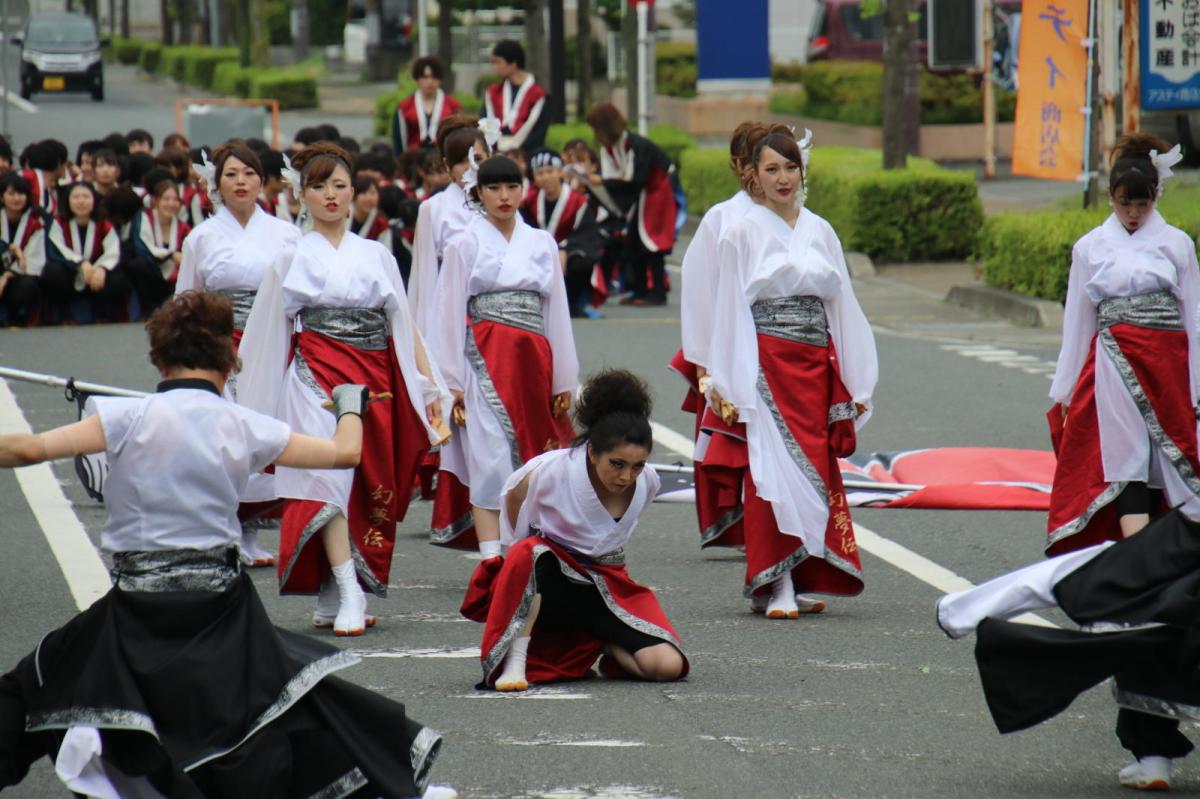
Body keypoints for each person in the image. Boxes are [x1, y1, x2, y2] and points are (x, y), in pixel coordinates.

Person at [0, 291, 454, 799]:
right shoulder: (245, 424)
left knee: (34, 685)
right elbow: (344, 453)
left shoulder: (126, 416)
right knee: (291, 699)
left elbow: (28, 448)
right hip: (219, 606)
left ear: (159, 359)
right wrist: (350, 403)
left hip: (139, 607)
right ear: (229, 360)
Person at [238, 142, 450, 636]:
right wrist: (253, 407)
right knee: (324, 483)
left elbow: (404, 326)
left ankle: (332, 592)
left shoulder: (377, 254)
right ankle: (348, 586)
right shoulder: (290, 255)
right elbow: (267, 333)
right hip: (313, 378)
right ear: (301, 195)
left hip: (374, 381)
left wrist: (429, 388)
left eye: (339, 185)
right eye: (319, 186)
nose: (330, 195)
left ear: (354, 191)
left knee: (364, 484)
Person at [705, 132, 877, 618]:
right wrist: (727, 378)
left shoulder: (821, 230)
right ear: (753, 176)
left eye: (790, 167)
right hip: (765, 364)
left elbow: (842, 305)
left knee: (815, 466)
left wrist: (858, 377)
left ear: (803, 171)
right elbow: (730, 309)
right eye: (772, 169)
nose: (783, 179)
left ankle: (802, 573)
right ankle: (776, 580)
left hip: (814, 365)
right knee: (769, 469)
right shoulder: (739, 232)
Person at [936, 506, 1200, 792]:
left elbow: (1132, 491)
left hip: (1183, 538)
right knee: (1156, 631)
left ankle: (1152, 757)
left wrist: (1141, 553)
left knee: (1139, 625)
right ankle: (1152, 755)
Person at [465, 369, 688, 691]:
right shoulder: (550, 470)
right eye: (617, 464)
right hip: (549, 581)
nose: (627, 476)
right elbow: (506, 500)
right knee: (530, 551)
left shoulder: (649, 482)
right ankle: (516, 662)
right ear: (593, 452)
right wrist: (507, 557)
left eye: (637, 466)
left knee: (667, 667)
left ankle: (601, 642)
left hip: (605, 583)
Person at [1045, 132, 1200, 556]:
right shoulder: (1090, 247)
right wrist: (1065, 390)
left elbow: (1194, 318)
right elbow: (1077, 322)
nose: (1133, 214)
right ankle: (1139, 559)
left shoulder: (1177, 244)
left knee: (1166, 458)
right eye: (1124, 203)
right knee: (1125, 455)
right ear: (1110, 197)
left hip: (1168, 362)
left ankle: (1158, 555)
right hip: (1114, 359)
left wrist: (1197, 387)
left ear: (1156, 197)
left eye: (1142, 204)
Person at [430, 154, 579, 562]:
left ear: (523, 190)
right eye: (494, 188)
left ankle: (527, 549)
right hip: (485, 361)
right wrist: (451, 382)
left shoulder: (542, 242)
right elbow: (447, 313)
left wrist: (563, 378)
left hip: (534, 364)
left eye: (512, 187)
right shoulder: (463, 244)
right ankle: (491, 558)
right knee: (490, 457)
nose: (504, 196)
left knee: (537, 458)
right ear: (478, 192)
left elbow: (557, 312)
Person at [175, 141, 303, 565]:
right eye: (231, 174)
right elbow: (187, 299)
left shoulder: (286, 233)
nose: (241, 182)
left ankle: (250, 532)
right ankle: (225, 528)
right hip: (220, 344)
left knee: (266, 430)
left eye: (249, 173)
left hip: (272, 340)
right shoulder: (201, 237)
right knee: (226, 435)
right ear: (216, 183)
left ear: (262, 181)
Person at [676, 122, 785, 550]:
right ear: (742, 166)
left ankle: (782, 526)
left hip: (785, 348)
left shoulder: (799, 218)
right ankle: (748, 526)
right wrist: (706, 361)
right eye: (761, 161)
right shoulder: (723, 218)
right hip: (733, 342)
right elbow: (700, 289)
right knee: (739, 438)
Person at [585, 102, 677, 307]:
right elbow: (618, 180)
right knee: (632, 243)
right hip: (638, 196)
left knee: (651, 244)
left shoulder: (637, 146)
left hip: (656, 193)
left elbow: (635, 180)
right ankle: (640, 291)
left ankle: (658, 293)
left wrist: (603, 182)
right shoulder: (609, 149)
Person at [521, 148, 602, 319]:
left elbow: (586, 234)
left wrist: (563, 248)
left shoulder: (578, 201)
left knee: (581, 261)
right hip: (538, 252)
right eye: (540, 173)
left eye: (550, 171)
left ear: (560, 173)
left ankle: (574, 303)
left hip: (569, 255)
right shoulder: (529, 202)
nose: (545, 177)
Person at [44, 182, 128, 322]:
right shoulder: (59, 223)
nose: (81, 201)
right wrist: (81, 264)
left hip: (96, 276)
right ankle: (65, 315)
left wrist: (102, 268)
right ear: (68, 200)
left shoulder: (104, 224)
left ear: (94, 200)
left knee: (119, 278)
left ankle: (100, 312)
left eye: (86, 196)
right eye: (76, 197)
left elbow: (113, 252)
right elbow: (57, 250)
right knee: (53, 271)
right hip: (70, 274)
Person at [127, 175, 190, 314]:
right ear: (155, 201)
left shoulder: (183, 227)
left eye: (175, 200)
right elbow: (142, 247)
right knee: (139, 265)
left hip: (172, 279)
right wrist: (171, 255)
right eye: (166, 199)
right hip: (151, 274)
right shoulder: (144, 218)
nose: (171, 204)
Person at [483, 40, 549, 157]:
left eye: (498, 62)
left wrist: (516, 153)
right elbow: (486, 122)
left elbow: (538, 132)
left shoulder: (538, 95)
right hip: (497, 155)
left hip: (527, 156)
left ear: (513, 63)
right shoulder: (493, 93)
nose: (494, 67)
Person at [0, 173, 46, 326]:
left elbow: (34, 260)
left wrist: (8, 275)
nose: (16, 198)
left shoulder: (35, 224)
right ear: (1, 197)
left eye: (21, 194)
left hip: (17, 277)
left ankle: (18, 316)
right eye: (11, 194)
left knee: (27, 285)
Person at [394, 56, 463, 154]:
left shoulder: (453, 105)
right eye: (425, 77)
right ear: (417, 79)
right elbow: (399, 140)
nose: (430, 81)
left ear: (440, 79)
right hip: (413, 158)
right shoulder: (405, 107)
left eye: (434, 77)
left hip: (442, 156)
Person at [350, 173, 392, 251]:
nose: (369, 198)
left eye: (373, 193)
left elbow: (385, 252)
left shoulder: (381, 224)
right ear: (353, 195)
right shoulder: (341, 217)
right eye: (363, 193)